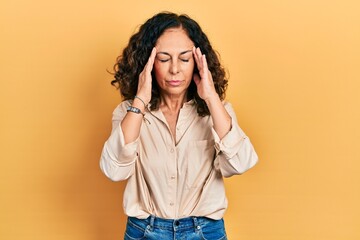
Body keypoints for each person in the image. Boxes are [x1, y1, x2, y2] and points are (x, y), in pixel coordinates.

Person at [100, 11, 258, 240]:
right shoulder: (129, 112)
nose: (175, 69)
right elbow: (114, 171)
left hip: (205, 232)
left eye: (184, 59)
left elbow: (241, 163)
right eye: (163, 59)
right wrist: (140, 99)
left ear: (197, 62)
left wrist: (211, 97)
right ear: (148, 63)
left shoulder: (216, 111)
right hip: (145, 232)